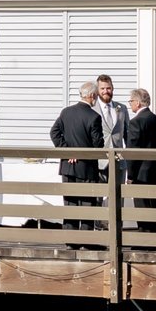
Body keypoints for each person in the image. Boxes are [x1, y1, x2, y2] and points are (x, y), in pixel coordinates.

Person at [51, 80, 107, 233]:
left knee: (70, 203)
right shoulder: (94, 117)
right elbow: (98, 145)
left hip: (68, 167)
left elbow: (54, 133)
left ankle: (71, 240)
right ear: (92, 96)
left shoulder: (66, 112)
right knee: (87, 204)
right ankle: (86, 240)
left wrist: (67, 151)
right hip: (87, 167)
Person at [126, 87, 156, 231]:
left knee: (142, 205)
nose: (130, 104)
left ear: (137, 102)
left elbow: (133, 151)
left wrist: (130, 175)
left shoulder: (136, 121)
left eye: (131, 101)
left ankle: (145, 238)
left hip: (141, 172)